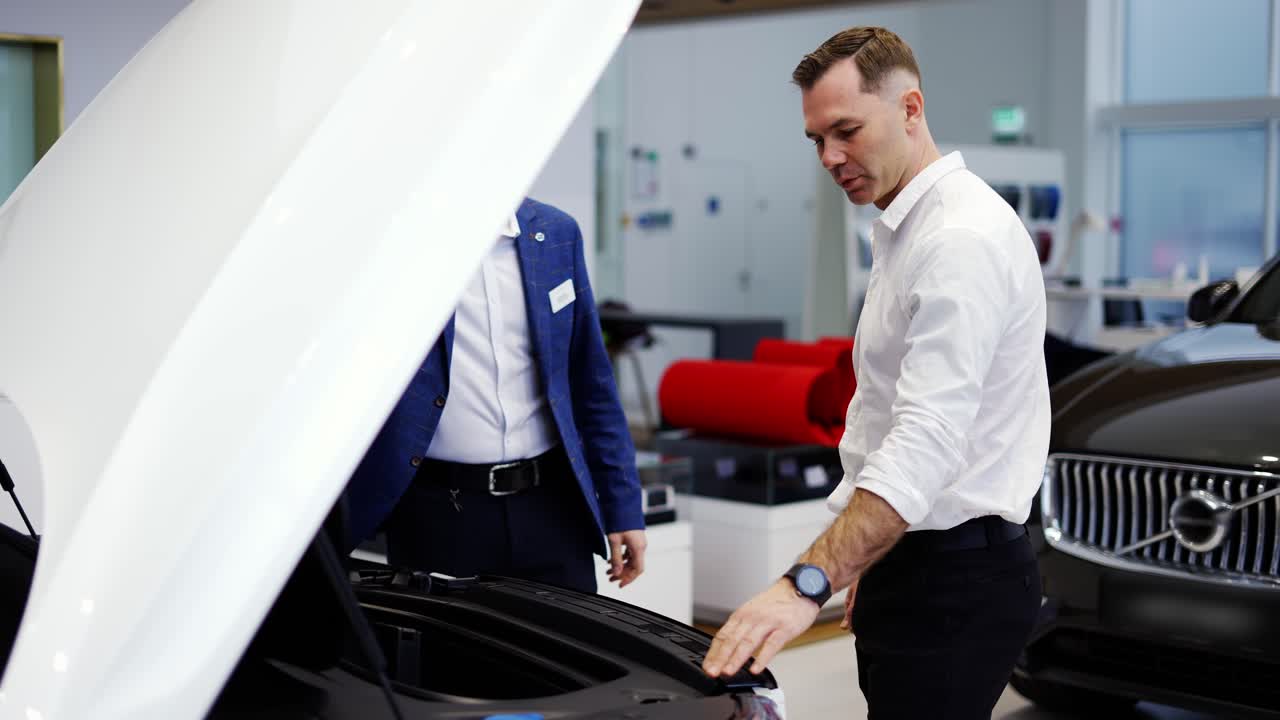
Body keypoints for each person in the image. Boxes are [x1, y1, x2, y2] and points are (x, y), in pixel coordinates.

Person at [702, 26, 1049, 718]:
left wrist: (806, 583)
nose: (830, 157)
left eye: (847, 131)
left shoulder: (958, 240)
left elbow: (925, 438)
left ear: (910, 109)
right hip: (916, 555)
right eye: (816, 140)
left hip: (956, 576)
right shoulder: (907, 229)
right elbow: (883, 416)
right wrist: (867, 555)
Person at [346, 197, 647, 595]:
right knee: (446, 637)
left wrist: (622, 507)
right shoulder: (401, 241)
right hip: (440, 512)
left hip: (552, 507)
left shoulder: (556, 232)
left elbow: (591, 381)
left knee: (565, 634)